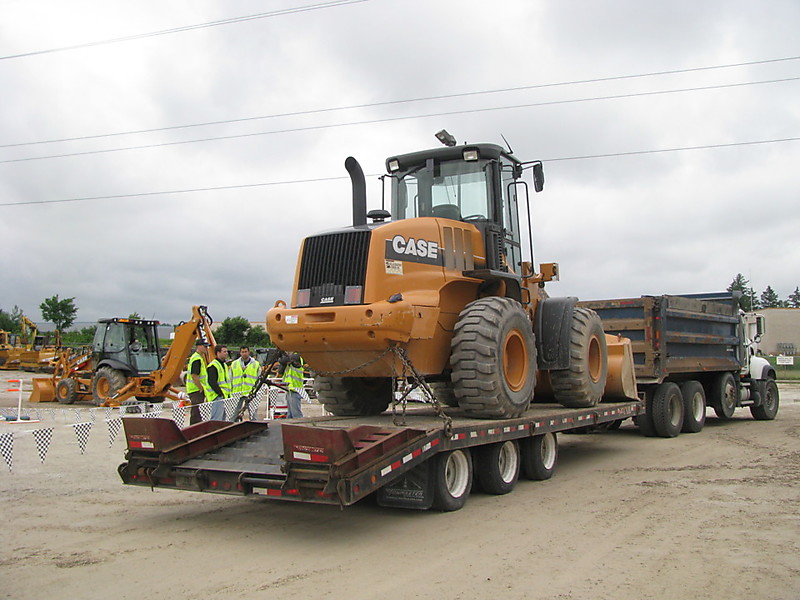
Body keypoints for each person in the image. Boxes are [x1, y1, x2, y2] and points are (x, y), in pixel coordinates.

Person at [230, 346, 261, 420]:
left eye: (245, 352)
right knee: (234, 414)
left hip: (250, 392)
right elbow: (230, 378)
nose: (244, 354)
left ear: (249, 352)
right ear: (240, 353)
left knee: (253, 414)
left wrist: (256, 390)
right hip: (237, 392)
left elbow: (259, 378)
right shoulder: (234, 364)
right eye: (242, 352)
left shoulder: (256, 364)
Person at [204, 344, 230, 421]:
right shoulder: (213, 366)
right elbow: (212, 382)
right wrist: (220, 393)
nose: (226, 353)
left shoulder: (224, 365)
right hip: (216, 396)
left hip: (224, 396)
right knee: (216, 419)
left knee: (222, 420)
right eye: (224, 351)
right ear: (218, 353)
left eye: (226, 351)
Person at [186, 340, 208, 425]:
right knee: (196, 413)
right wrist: (201, 388)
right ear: (198, 346)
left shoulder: (198, 357)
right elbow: (194, 375)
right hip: (196, 390)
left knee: (198, 413)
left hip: (196, 389)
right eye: (205, 346)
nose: (206, 348)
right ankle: (193, 431)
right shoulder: (197, 359)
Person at [279, 352, 305, 418]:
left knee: (296, 414)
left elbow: (283, 360)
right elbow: (280, 371)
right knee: (290, 414)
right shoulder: (289, 364)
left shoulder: (296, 356)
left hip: (295, 389)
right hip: (289, 389)